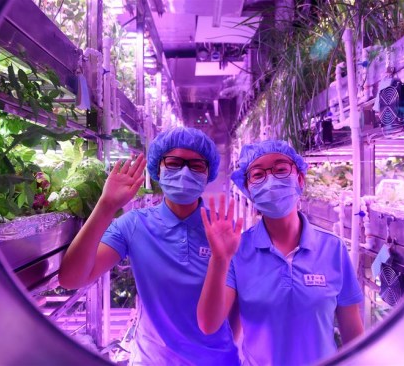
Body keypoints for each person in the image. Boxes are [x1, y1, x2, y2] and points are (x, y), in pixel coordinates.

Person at [59, 127, 240, 365]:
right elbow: (72, 279)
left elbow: (233, 312)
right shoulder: (135, 225)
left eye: (196, 165)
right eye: (174, 163)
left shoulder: (223, 230)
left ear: (209, 173)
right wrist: (106, 206)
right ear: (158, 168)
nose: (185, 172)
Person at [197, 140, 364, 366]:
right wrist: (220, 258)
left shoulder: (333, 248)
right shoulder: (238, 250)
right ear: (248, 190)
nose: (271, 180)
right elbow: (209, 324)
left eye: (281, 170)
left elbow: (354, 335)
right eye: (258, 175)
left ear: (300, 179)